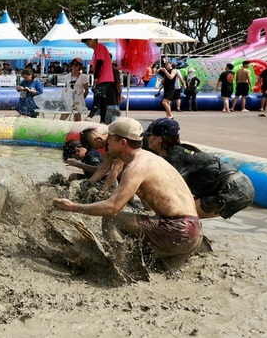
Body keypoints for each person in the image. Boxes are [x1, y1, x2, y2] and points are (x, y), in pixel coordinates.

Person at [53, 118, 203, 269]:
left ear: (122, 143)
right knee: (157, 267)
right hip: (195, 231)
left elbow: (112, 208)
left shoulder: (136, 168)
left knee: (111, 220)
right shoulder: (151, 158)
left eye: (110, 139)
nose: (107, 143)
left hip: (178, 231)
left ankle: (120, 270)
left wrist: (73, 207)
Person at [143, 118, 255, 219]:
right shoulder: (179, 152)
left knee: (177, 217)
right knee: (183, 215)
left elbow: (170, 190)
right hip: (241, 186)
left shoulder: (175, 156)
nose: (147, 137)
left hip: (234, 189)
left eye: (150, 134)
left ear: (160, 139)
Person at [83, 38, 117, 123]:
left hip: (104, 77)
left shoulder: (99, 47)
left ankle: (91, 114)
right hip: (104, 77)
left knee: (98, 96)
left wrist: (96, 77)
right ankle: (102, 120)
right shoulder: (96, 50)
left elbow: (100, 61)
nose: (87, 43)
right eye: (85, 42)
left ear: (94, 39)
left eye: (88, 41)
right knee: (102, 100)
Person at [61, 57, 89, 121]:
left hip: (78, 102)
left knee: (77, 119)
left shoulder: (83, 77)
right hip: (68, 101)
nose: (74, 66)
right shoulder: (67, 76)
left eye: (76, 64)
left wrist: (81, 98)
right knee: (62, 118)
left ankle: (77, 131)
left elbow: (86, 91)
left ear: (80, 66)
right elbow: (66, 89)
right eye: (72, 64)